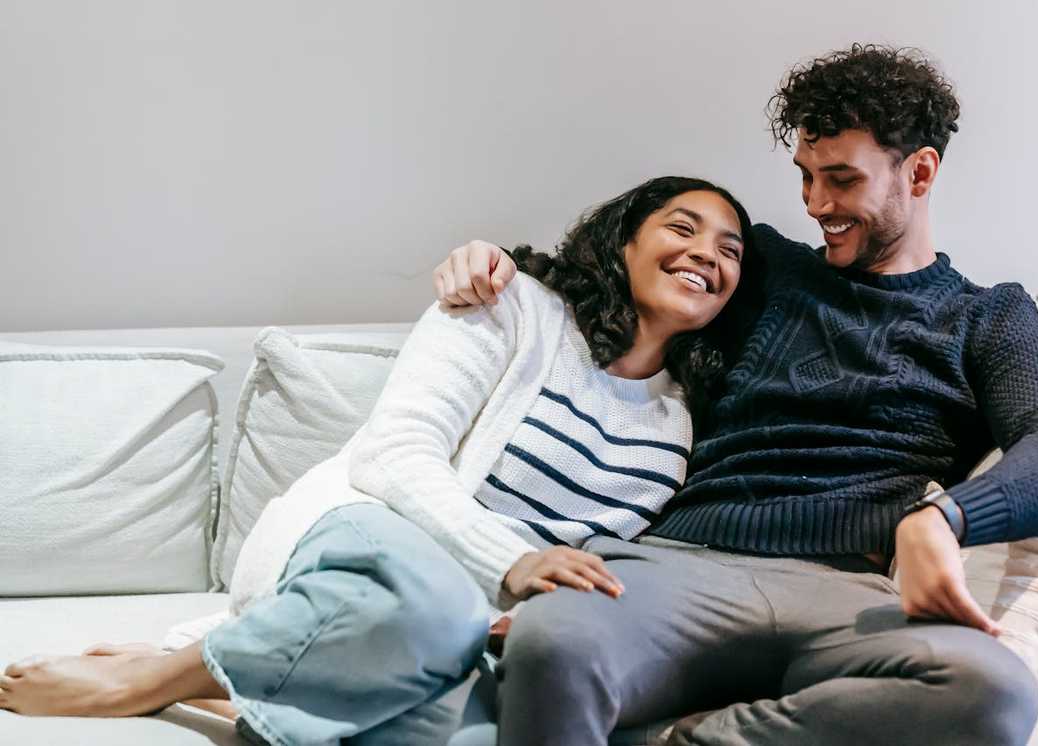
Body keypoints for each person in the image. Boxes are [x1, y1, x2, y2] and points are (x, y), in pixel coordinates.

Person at [432, 45, 1038, 746]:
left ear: (921, 171)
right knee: (551, 643)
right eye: (807, 178)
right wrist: (495, 265)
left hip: (853, 595)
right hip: (683, 564)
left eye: (841, 180)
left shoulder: (988, 317)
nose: (817, 205)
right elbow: (612, 276)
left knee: (990, 691)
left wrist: (945, 520)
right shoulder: (762, 268)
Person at [0, 176, 756, 746]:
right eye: (683, 228)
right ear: (623, 239)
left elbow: (593, 559)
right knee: (434, 607)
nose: (706, 255)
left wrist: (529, 614)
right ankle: (148, 680)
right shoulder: (512, 304)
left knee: (486, 736)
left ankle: (244, 695)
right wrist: (511, 563)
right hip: (367, 536)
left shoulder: (677, 423)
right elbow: (396, 456)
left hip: (477, 627)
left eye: (729, 251)